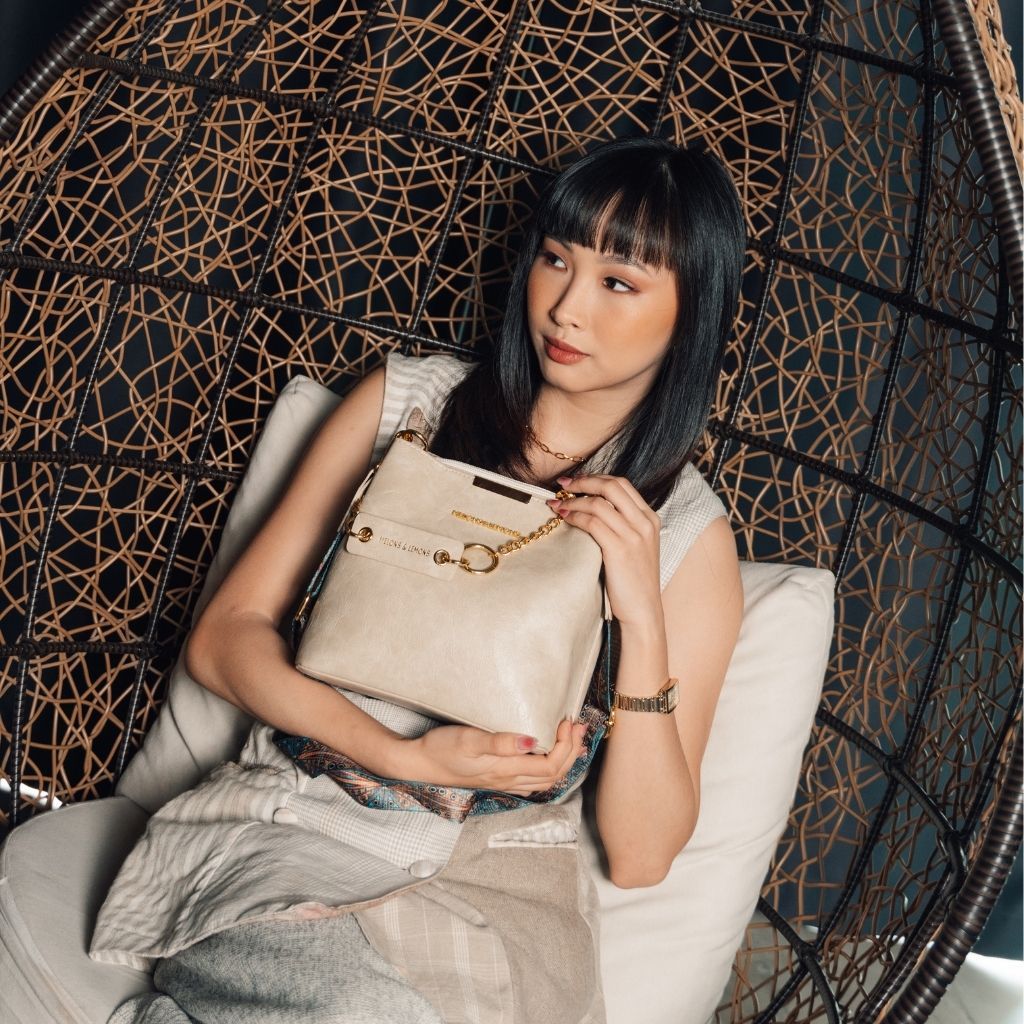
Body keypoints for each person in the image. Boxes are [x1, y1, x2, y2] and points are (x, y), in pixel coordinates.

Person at [90, 135, 747, 1024]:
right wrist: (400, 755)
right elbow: (223, 640)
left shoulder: (686, 533)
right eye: (556, 259)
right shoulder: (408, 405)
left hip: (499, 893)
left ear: (691, 312)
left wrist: (641, 616)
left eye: (617, 283)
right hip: (304, 829)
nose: (566, 307)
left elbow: (640, 856)